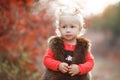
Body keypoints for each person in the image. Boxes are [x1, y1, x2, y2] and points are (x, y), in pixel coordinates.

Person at [41, 7, 94, 80]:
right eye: (64, 27)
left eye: (72, 27)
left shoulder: (83, 46)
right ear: (59, 29)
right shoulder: (56, 45)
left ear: (79, 29)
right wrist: (58, 65)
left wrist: (79, 68)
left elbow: (90, 62)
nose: (68, 30)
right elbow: (47, 60)